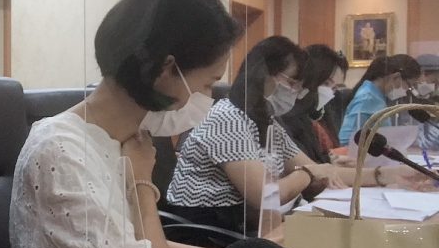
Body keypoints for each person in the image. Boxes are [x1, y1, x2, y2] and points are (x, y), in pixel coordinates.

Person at [9, 0, 242, 248]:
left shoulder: (126, 140)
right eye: (208, 83)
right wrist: (141, 187)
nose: (208, 97)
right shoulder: (62, 154)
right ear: (167, 69)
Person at [166, 37, 421, 235]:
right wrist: (307, 174)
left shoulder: (266, 121)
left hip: (248, 225)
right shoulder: (228, 117)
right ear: (263, 74)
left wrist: (385, 175)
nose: (296, 93)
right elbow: (265, 194)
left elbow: (321, 170)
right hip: (212, 231)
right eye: (292, 83)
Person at [277, 45, 347, 163]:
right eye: (326, 83)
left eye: (335, 88)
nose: (329, 92)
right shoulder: (287, 115)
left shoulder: (323, 113)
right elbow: (301, 166)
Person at [338, 54, 421, 145]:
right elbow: (347, 139)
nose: (407, 90)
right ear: (396, 77)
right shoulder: (367, 98)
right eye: (409, 85)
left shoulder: (378, 96)